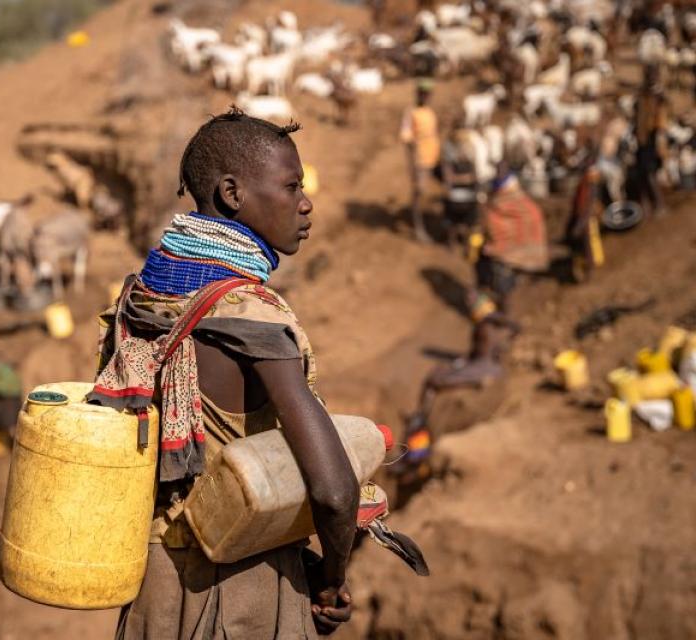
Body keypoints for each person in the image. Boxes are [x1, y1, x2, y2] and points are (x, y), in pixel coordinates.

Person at [94, 108, 360, 638]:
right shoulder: (253, 318)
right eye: (291, 186)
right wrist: (329, 578)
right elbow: (334, 491)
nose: (305, 204)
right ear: (233, 194)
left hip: (154, 588)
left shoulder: (142, 299)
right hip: (244, 591)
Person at [400, 290, 520, 476]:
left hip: (482, 368)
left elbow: (480, 353)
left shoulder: (486, 324)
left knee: (433, 380)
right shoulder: (496, 324)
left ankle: (421, 420)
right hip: (487, 367)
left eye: (474, 306)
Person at [476, 165, 549, 313]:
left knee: (504, 286)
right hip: (509, 252)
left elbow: (490, 224)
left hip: (504, 255)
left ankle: (506, 312)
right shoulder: (522, 202)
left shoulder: (500, 201)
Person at [399, 79, 441, 243]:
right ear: (418, 94)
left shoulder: (429, 112)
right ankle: (418, 227)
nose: (425, 96)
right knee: (420, 192)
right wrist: (412, 165)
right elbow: (407, 139)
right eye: (423, 93)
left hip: (433, 157)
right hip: (420, 160)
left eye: (428, 94)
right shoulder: (411, 113)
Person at [632, 65, 669, 217]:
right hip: (642, 138)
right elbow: (636, 113)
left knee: (649, 172)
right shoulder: (642, 94)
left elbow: (661, 121)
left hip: (652, 137)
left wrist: (661, 141)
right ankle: (645, 205)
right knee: (641, 172)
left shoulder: (658, 96)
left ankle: (659, 204)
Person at [565, 149, 605, 282]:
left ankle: (590, 271)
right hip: (586, 218)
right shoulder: (586, 183)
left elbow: (588, 206)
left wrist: (581, 223)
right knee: (589, 244)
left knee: (588, 245)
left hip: (587, 219)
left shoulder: (590, 184)